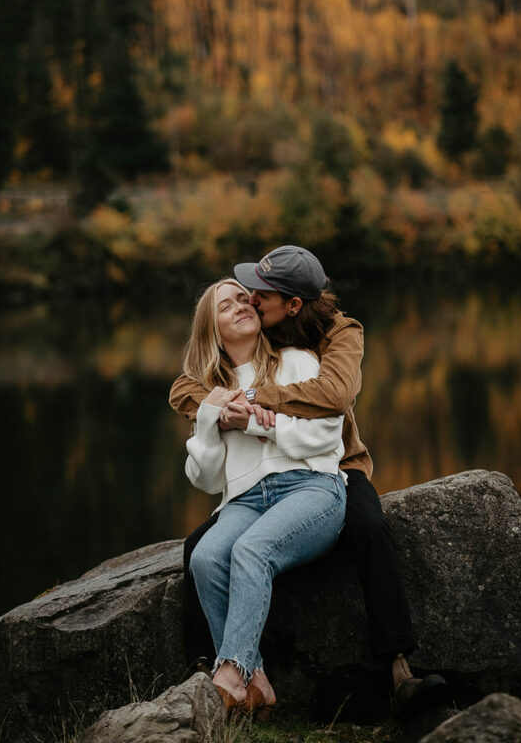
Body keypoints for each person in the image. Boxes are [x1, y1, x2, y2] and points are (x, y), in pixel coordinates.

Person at [170, 245, 446, 717]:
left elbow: (334, 400)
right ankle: (230, 673)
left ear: (292, 305)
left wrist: (252, 410)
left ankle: (398, 667)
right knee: (202, 552)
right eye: (236, 299)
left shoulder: (329, 338)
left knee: (367, 527)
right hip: (249, 492)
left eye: (257, 295)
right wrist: (214, 412)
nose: (250, 300)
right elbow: (186, 395)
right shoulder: (230, 362)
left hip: (332, 468)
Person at [182, 277, 347, 714]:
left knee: (252, 551)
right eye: (226, 305)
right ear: (211, 330)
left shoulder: (296, 362)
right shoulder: (211, 391)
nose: (241, 305)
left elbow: (327, 434)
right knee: (205, 556)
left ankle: (230, 675)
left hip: (312, 485)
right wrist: (209, 422)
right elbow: (205, 478)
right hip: (245, 500)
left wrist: (253, 423)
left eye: (245, 298)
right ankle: (258, 682)